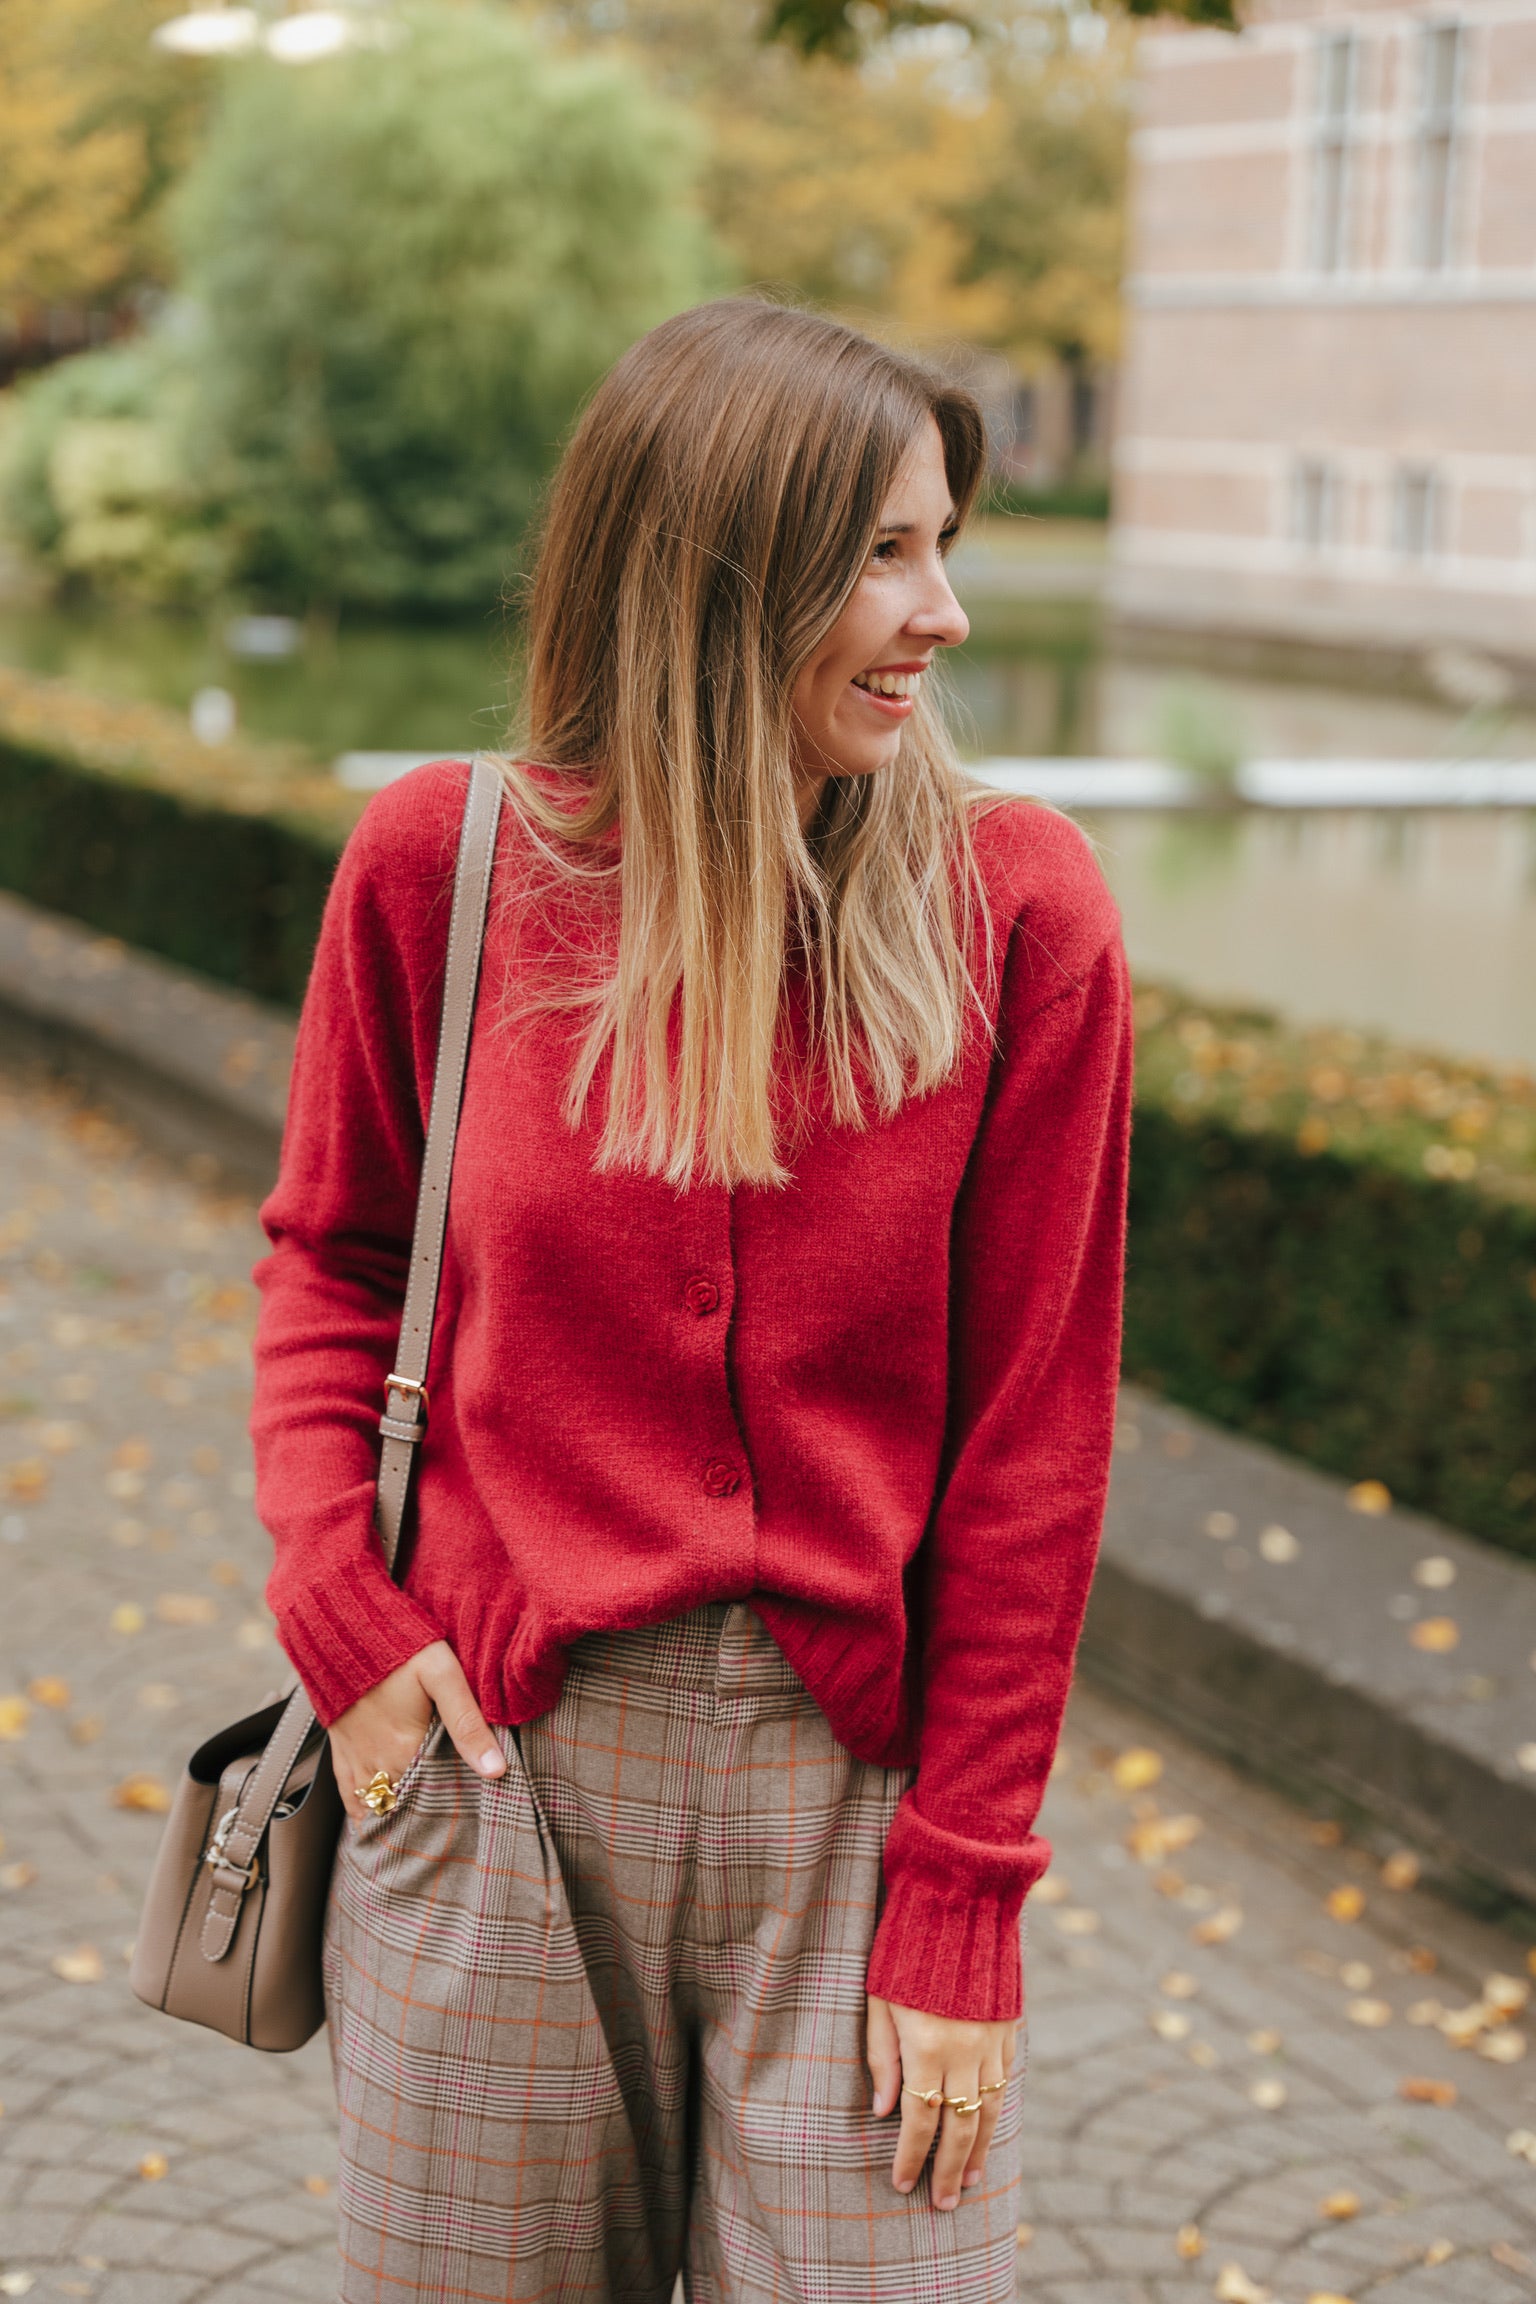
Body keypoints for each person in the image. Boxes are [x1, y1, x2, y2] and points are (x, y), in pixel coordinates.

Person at [250, 298, 1132, 2304]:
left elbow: (1036, 1441)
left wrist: (967, 1893)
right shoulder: (444, 865)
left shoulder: (1019, 912)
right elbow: (334, 1259)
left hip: (854, 1811)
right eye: (883, 554)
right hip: (493, 1775)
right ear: (718, 572)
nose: (944, 613)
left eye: (946, 546)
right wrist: (341, 1612)